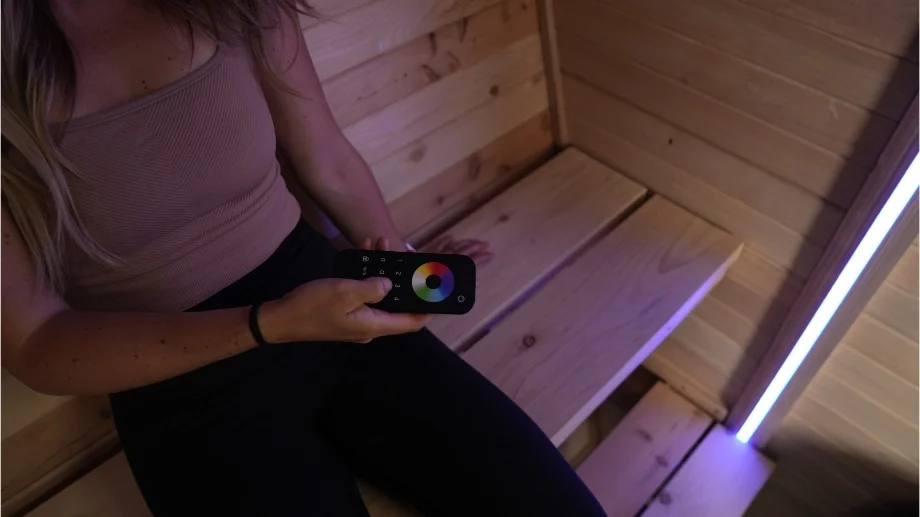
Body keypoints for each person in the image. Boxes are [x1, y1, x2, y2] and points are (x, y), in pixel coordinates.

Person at [1, 1, 606, 515]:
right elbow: (35, 344)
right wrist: (268, 323)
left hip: (330, 307)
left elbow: (328, 160)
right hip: (174, 386)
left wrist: (397, 262)